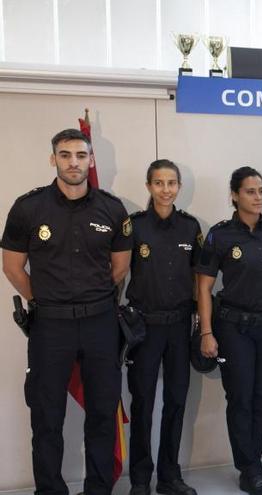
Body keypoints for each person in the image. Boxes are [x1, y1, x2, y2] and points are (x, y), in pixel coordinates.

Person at [1, 129, 132, 494]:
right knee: (46, 417)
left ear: (91, 160)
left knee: (103, 413)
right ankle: (50, 489)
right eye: (65, 155)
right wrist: (44, 300)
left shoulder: (112, 208)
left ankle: (98, 489)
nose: (73, 162)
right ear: (53, 159)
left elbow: (119, 268)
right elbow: (12, 268)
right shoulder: (28, 208)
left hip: (100, 326)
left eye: (80, 155)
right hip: (50, 327)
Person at [195, 166, 262, 495]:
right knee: (240, 399)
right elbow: (204, 286)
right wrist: (206, 332)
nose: (258, 197)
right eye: (251, 191)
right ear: (235, 195)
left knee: (260, 398)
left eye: (261, 190)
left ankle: (254, 463)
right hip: (233, 328)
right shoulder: (220, 235)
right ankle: (249, 468)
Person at [126, 160, 201, 495]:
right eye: (159, 183)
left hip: (179, 327)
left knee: (176, 400)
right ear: (148, 186)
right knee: (142, 402)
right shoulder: (135, 226)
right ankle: (140, 479)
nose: (166, 189)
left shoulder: (190, 227)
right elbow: (115, 271)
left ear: (179, 187)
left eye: (172, 183)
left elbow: (201, 277)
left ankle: (169, 476)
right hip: (144, 326)